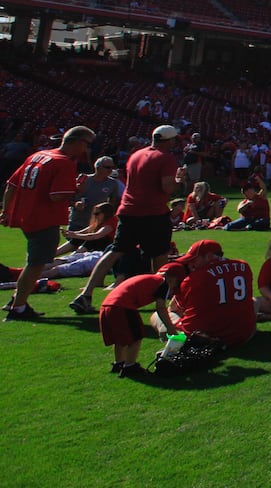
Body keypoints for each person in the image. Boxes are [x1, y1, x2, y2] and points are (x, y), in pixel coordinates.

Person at [70, 124, 186, 315]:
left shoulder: (137, 155)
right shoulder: (166, 158)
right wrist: (179, 181)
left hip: (129, 210)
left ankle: (86, 293)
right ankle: (161, 299)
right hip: (153, 212)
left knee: (115, 251)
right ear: (170, 140)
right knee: (159, 256)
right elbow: (167, 188)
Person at [2, 125, 96, 321]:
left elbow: (11, 184)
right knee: (36, 264)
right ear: (76, 141)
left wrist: (6, 210)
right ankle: (18, 307)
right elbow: (56, 196)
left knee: (34, 262)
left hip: (26, 216)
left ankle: (16, 300)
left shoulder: (39, 155)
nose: (87, 150)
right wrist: (76, 191)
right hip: (44, 218)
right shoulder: (64, 163)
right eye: (87, 144)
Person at [157, 239, 257, 345]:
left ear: (209, 257)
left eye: (194, 260)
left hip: (203, 337)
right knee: (254, 301)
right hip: (245, 334)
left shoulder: (194, 279)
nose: (190, 264)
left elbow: (174, 308)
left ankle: (168, 336)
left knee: (158, 316)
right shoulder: (244, 266)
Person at [98, 263, 178, 378]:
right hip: (123, 306)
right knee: (136, 336)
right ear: (172, 279)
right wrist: (170, 327)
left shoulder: (151, 278)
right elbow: (160, 307)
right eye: (176, 282)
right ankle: (130, 366)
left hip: (107, 305)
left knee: (120, 338)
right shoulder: (163, 283)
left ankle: (119, 363)